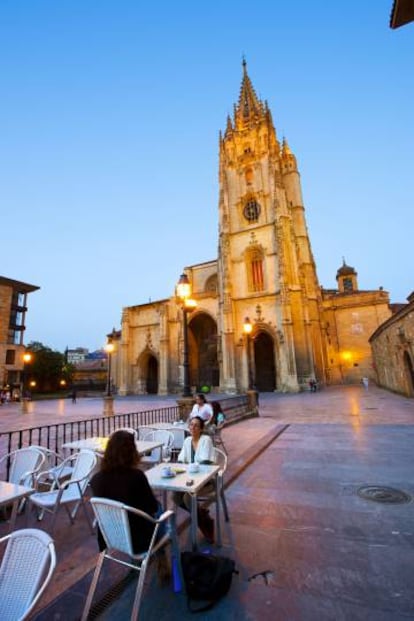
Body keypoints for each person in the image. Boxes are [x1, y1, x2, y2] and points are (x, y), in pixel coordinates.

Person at [90, 430, 170, 579]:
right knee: (161, 512)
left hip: (111, 537)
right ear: (132, 452)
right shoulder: (137, 477)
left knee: (151, 511)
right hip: (139, 540)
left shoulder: (96, 480)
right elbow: (151, 508)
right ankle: (163, 557)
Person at [173, 416, 215, 543]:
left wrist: (189, 467)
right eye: (191, 425)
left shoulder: (206, 440)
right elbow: (181, 459)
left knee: (187, 498)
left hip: (206, 480)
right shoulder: (187, 441)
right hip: (189, 479)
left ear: (201, 428)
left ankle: (204, 525)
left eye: (196, 425)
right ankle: (203, 515)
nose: (193, 427)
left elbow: (206, 462)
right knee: (175, 497)